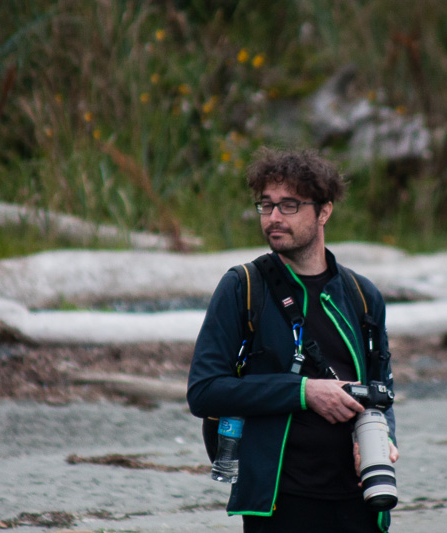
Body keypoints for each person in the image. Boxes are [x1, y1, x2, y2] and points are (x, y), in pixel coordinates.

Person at [188, 147, 398, 533]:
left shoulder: (362, 295)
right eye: (266, 205)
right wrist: (304, 392)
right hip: (279, 503)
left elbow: (382, 390)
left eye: (289, 206)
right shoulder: (242, 287)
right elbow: (204, 391)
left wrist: (384, 439)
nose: (273, 218)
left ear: (324, 211)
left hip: (360, 501)